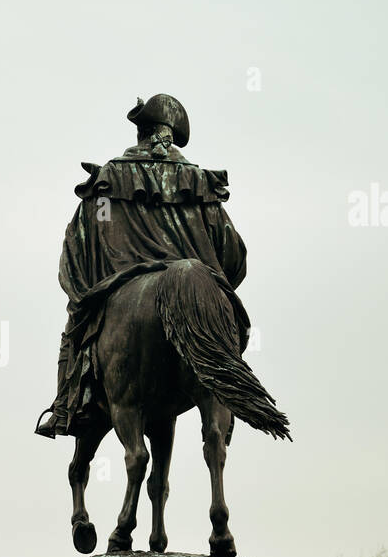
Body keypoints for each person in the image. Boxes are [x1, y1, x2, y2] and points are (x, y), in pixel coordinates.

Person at [36, 94, 249, 440]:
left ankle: (66, 406)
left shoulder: (106, 185)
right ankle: (225, 385)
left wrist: (86, 295)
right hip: (198, 282)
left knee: (73, 327)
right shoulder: (200, 187)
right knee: (227, 328)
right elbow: (233, 256)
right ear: (169, 136)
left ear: (142, 134)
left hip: (119, 286)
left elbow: (77, 249)